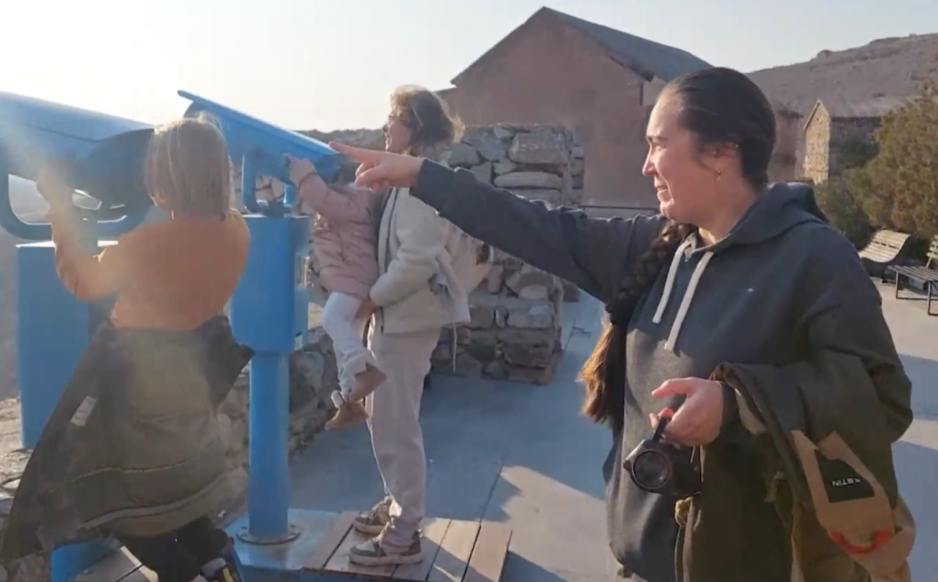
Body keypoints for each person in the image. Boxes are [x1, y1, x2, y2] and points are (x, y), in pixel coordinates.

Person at [333, 68, 915, 581]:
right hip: (640, 563)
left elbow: (882, 398)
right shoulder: (659, 247)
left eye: (659, 144)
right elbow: (540, 228)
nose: (645, 164)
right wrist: (424, 177)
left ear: (720, 153)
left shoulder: (814, 259)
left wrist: (739, 407)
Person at [0, 115, 253, 582]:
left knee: (125, 513)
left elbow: (83, 279)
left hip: (140, 393)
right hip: (189, 387)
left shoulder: (148, 244)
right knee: (178, 506)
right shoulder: (236, 229)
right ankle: (219, 570)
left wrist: (60, 206)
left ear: (166, 176)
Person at [344, 85, 483, 567]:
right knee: (384, 415)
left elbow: (417, 260)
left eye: (392, 119)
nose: (385, 127)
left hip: (405, 319)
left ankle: (404, 531)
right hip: (397, 317)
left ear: (414, 128)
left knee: (395, 423)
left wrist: (370, 298)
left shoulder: (421, 189)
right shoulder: (409, 182)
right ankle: (397, 502)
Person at [285, 155, 387, 429]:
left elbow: (323, 199)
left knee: (331, 320)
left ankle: (366, 369)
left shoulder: (354, 200)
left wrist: (303, 173)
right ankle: (349, 401)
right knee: (344, 343)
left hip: (352, 279)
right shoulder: (353, 205)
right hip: (351, 279)